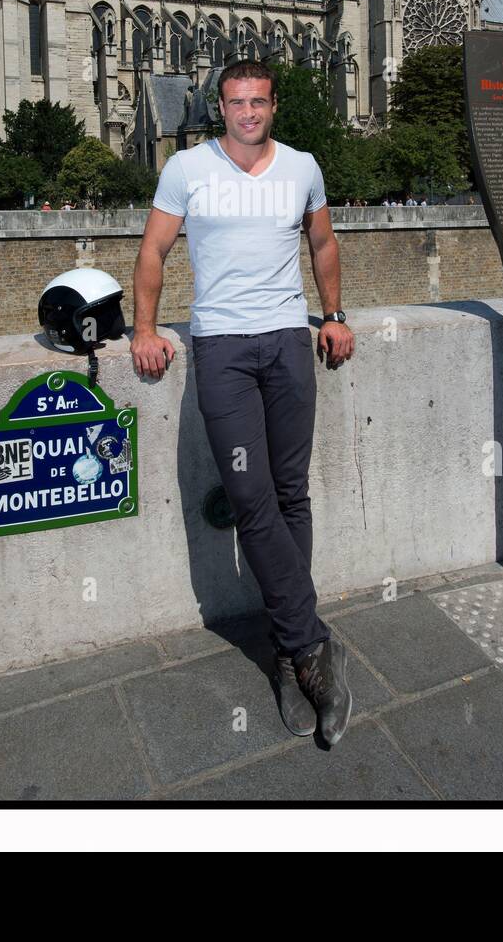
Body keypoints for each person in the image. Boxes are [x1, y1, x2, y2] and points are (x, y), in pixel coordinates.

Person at [131, 60, 355, 747]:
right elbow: (153, 251)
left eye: (258, 102)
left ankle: (288, 655)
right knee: (251, 497)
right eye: (236, 103)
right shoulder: (187, 170)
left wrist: (334, 314)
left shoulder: (303, 167)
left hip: (289, 342)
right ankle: (310, 645)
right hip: (222, 348)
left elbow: (321, 243)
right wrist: (143, 328)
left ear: (273, 107)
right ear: (219, 108)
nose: (248, 113)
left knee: (290, 495)